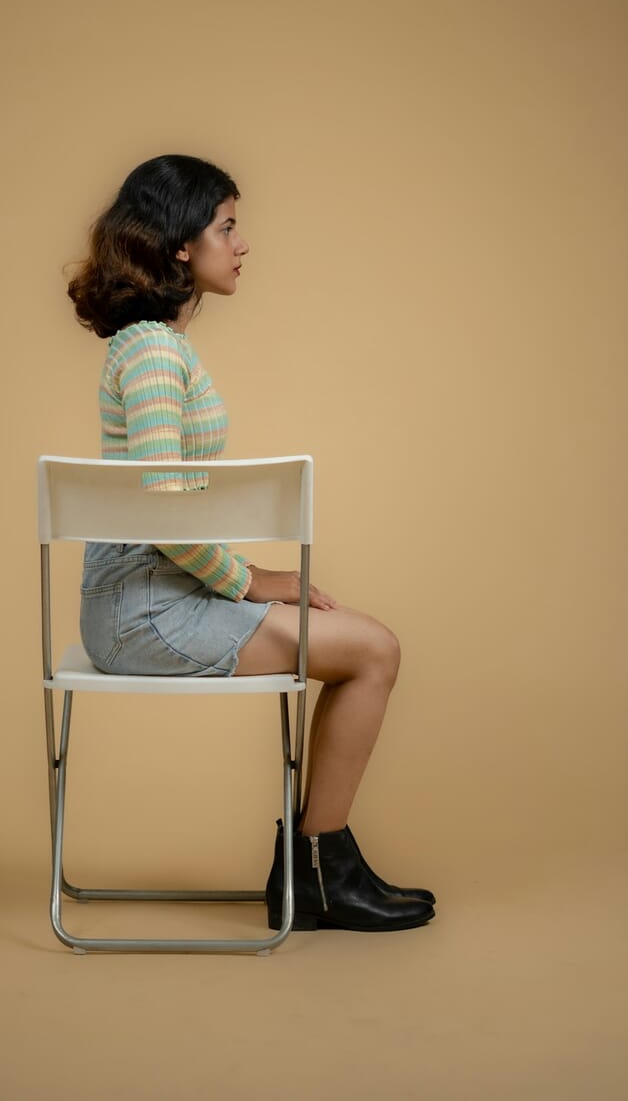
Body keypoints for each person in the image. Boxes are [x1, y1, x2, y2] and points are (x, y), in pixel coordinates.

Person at [67, 154, 435, 932]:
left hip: (153, 599)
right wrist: (250, 578)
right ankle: (321, 874)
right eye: (227, 227)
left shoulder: (155, 345)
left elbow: (162, 504)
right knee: (374, 650)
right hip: (145, 612)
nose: (242, 244)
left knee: (368, 647)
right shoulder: (153, 351)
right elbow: (162, 505)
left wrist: (240, 577)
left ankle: (315, 871)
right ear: (180, 244)